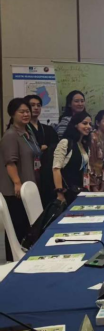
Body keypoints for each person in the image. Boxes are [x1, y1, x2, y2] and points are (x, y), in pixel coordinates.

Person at [0, 99, 40, 261]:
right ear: (12, 114)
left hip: (28, 187)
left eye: (27, 111)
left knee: (27, 227)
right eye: (21, 112)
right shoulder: (11, 135)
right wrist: (17, 183)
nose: (26, 114)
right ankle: (14, 261)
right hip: (15, 190)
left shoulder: (27, 133)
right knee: (17, 228)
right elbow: (10, 162)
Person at [24, 94, 58, 207]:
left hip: (46, 169)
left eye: (38, 105)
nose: (36, 108)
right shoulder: (23, 129)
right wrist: (39, 148)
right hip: (29, 169)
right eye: (32, 105)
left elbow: (56, 145)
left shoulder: (47, 129)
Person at [52, 112, 92, 203]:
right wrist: (60, 194)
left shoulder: (84, 145)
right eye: (85, 123)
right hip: (66, 191)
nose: (88, 126)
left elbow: (86, 171)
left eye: (90, 124)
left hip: (79, 190)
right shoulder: (65, 142)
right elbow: (56, 169)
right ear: (75, 125)